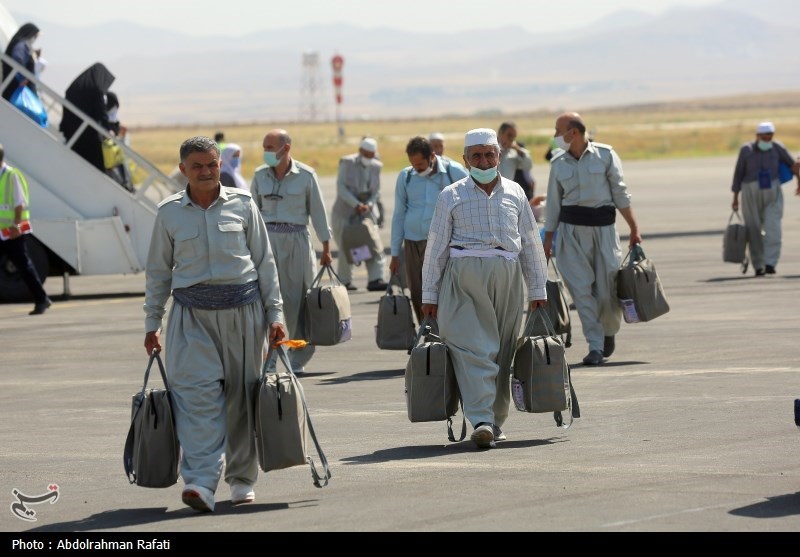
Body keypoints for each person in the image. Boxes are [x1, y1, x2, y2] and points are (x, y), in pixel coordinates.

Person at [143, 136, 286, 512]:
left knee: (242, 400)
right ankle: (201, 481)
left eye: (211, 164)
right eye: (197, 166)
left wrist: (276, 315)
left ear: (220, 164)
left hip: (244, 315)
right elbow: (158, 272)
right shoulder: (169, 213)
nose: (206, 172)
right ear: (183, 170)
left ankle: (241, 479)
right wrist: (152, 323)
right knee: (196, 399)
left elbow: (265, 263)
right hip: (191, 319)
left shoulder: (243, 204)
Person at [421, 128, 548, 448]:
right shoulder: (451, 195)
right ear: (465, 160)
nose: (484, 161)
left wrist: (538, 289)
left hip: (507, 277)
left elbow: (531, 243)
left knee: (503, 350)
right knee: (471, 348)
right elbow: (436, 248)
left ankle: (495, 420)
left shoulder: (515, 192)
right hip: (463, 279)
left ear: (499, 156)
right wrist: (429, 294)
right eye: (476, 155)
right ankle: (480, 418)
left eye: (489, 154)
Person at [542, 112, 642, 366]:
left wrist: (633, 228)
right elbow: (553, 203)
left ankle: (608, 331)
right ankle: (595, 345)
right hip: (571, 235)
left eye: (558, 131)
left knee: (607, 291)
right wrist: (548, 239)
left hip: (603, 232)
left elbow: (620, 193)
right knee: (581, 291)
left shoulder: (606, 156)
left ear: (573, 132)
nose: (555, 136)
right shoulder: (558, 162)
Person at [251, 129, 333, 373]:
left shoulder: (306, 176)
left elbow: (318, 213)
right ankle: (268, 358)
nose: (266, 152)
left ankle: (299, 353)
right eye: (264, 147)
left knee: (296, 303)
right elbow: (251, 213)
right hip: (266, 241)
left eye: (270, 147)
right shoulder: (259, 175)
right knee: (264, 301)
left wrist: (326, 247)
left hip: (296, 241)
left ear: (285, 148)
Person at [391, 136, 468, 323]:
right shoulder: (406, 177)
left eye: (420, 164)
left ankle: (444, 332)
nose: (416, 169)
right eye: (413, 164)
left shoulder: (454, 172)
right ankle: (426, 331)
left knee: (441, 291)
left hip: (442, 242)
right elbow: (399, 214)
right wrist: (394, 253)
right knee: (417, 291)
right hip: (412, 243)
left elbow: (469, 206)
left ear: (432, 156)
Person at [731, 121, 800, 276]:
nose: (767, 138)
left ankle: (770, 263)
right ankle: (758, 265)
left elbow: (793, 165)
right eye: (764, 135)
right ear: (758, 135)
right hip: (750, 190)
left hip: (772, 190)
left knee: (773, 226)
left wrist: (799, 182)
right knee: (753, 228)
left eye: (770, 135)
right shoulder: (746, 150)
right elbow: (738, 174)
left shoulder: (777, 147)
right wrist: (735, 197)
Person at [0, 144, 52, 315]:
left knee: (24, 266)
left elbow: (19, 204)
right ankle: (42, 299)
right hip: (1, 231)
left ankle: (41, 299)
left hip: (12, 231)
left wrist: (16, 226)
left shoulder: (11, 176)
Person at [331, 137, 387, 292]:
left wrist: (368, 205)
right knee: (346, 247)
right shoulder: (347, 162)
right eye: (367, 154)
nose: (369, 157)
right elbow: (341, 188)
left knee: (373, 245)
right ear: (361, 151)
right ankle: (345, 281)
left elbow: (376, 192)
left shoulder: (376, 166)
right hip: (344, 213)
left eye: (372, 154)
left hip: (366, 213)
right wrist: (356, 204)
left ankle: (376, 279)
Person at [59, 63, 115, 173]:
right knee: (98, 169)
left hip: (71, 133)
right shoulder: (97, 90)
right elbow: (101, 113)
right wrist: (108, 130)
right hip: (89, 137)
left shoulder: (74, 88)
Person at [2, 23, 40, 101]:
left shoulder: (23, 44)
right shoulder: (22, 44)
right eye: (35, 36)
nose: (35, 39)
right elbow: (18, 58)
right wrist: (22, 78)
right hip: (14, 85)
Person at [497, 121, 535, 200]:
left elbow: (528, 165)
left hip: (506, 192)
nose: (511, 139)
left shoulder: (514, 152)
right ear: (500, 133)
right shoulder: (488, 150)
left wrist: (518, 149)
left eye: (513, 137)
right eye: (509, 135)